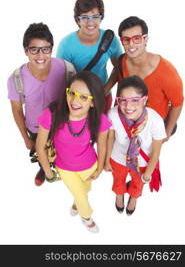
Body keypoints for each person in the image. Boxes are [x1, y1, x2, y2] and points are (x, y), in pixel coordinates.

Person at [36, 71, 111, 233]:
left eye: (84, 97)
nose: (75, 101)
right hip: (65, 168)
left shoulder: (100, 119)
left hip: (90, 165)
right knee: (82, 196)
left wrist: (99, 168)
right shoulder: (51, 114)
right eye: (72, 93)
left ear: (93, 103)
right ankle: (86, 218)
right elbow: (39, 147)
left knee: (86, 190)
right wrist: (49, 174)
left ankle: (76, 203)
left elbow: (102, 146)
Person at [7, 22, 73, 186]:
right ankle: (44, 169)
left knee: (62, 153)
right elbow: (16, 110)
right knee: (40, 151)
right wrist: (25, 138)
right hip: (35, 127)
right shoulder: (16, 78)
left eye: (45, 49)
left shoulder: (67, 69)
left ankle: (64, 171)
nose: (40, 55)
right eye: (34, 49)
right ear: (25, 50)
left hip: (61, 125)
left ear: (51, 48)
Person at [105, 76, 166, 215]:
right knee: (118, 179)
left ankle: (133, 198)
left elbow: (156, 152)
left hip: (142, 163)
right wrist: (107, 159)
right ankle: (119, 195)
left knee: (138, 183)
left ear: (144, 99)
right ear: (118, 100)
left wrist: (148, 173)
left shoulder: (155, 120)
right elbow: (110, 137)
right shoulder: (113, 114)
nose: (128, 106)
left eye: (135, 100)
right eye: (123, 101)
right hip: (118, 157)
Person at [117, 16, 184, 141]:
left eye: (136, 39)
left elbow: (177, 103)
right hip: (130, 120)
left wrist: (167, 133)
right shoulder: (122, 61)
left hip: (154, 125)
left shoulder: (167, 72)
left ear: (145, 39)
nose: (131, 44)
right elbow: (120, 83)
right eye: (126, 40)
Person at [56, 0, 122, 113]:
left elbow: (119, 68)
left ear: (101, 18)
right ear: (77, 20)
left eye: (95, 16)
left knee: (102, 130)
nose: (90, 22)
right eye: (84, 17)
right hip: (76, 99)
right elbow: (61, 78)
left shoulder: (109, 39)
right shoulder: (66, 45)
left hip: (102, 96)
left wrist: (105, 90)